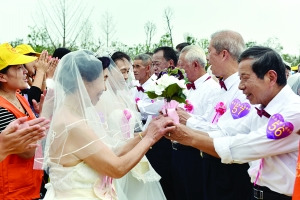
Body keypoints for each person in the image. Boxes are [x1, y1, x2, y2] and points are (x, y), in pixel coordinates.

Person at [167, 46, 300, 200]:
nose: (240, 86)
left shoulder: (294, 111)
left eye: (245, 78)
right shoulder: (261, 109)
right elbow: (227, 131)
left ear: (271, 77)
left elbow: (247, 146)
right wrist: (181, 129)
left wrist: (188, 137)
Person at [41, 50, 173, 199]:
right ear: (83, 81)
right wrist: (150, 138)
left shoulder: (69, 116)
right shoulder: (74, 125)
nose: (105, 88)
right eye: (102, 79)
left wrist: (144, 134)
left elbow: (110, 152)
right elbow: (117, 168)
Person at [175, 30, 253, 200]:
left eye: (209, 51)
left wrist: (189, 123)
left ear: (224, 54)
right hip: (211, 164)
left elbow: (229, 132)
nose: (207, 58)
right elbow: (211, 121)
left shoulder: (242, 91)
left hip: (229, 171)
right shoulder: (222, 88)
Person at [95, 55, 166, 200]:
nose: (126, 76)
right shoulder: (99, 99)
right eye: (122, 71)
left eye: (128, 70)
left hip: (135, 153)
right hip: (116, 155)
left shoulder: (125, 95)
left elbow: (136, 127)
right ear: (109, 71)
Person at [0, 43, 50, 199]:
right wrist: (43, 124)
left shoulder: (20, 97)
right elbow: (28, 151)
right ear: (2, 76)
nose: (25, 71)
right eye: (18, 68)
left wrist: (42, 117)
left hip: (31, 187)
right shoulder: (1, 109)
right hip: (13, 192)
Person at [172, 45, 220, 200]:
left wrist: (186, 118)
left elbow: (211, 124)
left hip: (195, 153)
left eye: (182, 64)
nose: (179, 68)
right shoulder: (187, 88)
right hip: (178, 151)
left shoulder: (212, 89)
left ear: (195, 65)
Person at [143, 46, 178, 200]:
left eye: (157, 64)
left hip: (171, 142)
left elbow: (158, 107)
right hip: (157, 139)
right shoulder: (158, 83)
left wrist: (139, 106)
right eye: (153, 64)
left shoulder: (178, 83)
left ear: (170, 63)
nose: (154, 68)